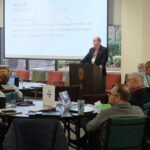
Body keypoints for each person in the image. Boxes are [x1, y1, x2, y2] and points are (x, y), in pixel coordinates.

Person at [80, 84, 144, 150]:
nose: (108, 95)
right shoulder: (139, 111)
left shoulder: (106, 113)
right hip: (133, 146)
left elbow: (89, 128)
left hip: (107, 147)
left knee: (85, 121)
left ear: (118, 97)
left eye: (110, 94)